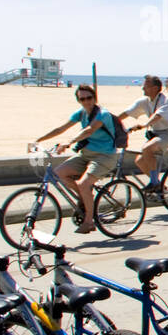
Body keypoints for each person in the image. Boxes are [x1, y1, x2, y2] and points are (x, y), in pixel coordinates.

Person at [31, 84, 117, 234]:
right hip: (86, 154)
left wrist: (68, 142)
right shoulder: (81, 113)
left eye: (89, 98)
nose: (86, 101)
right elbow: (61, 129)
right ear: (78, 101)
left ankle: (89, 222)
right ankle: (85, 197)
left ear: (95, 98)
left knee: (83, 184)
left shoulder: (103, 114)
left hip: (105, 156)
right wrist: (38, 140)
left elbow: (89, 130)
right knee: (59, 173)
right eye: (82, 99)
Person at [117, 75, 168, 197]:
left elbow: (157, 116)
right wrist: (113, 122)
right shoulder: (144, 101)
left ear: (155, 88)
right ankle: (159, 185)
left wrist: (144, 124)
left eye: (146, 86)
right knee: (140, 161)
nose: (143, 88)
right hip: (155, 134)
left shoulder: (165, 101)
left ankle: (154, 183)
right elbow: (127, 112)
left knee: (147, 149)